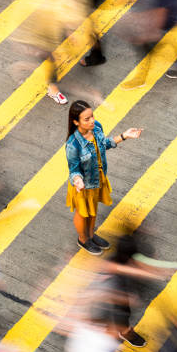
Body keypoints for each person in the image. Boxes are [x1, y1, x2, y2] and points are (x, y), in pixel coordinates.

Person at [65, 100, 143, 254]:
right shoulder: (73, 144)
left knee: (93, 209)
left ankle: (91, 235)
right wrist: (77, 180)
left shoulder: (97, 128)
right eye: (86, 119)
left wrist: (124, 136)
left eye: (92, 116)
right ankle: (83, 239)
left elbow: (104, 144)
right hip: (83, 185)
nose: (92, 121)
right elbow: (73, 169)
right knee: (82, 212)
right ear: (76, 122)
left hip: (98, 179)